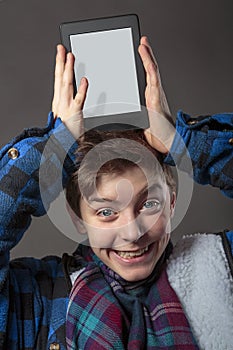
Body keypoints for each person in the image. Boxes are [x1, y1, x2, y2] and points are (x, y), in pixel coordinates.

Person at [0, 36, 232, 350]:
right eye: (106, 212)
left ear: (172, 202)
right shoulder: (35, 299)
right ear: (77, 217)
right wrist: (54, 147)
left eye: (149, 203)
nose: (132, 234)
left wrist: (180, 141)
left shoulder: (218, 267)